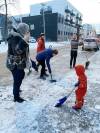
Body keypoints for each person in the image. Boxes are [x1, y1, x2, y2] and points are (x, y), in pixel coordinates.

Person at [6, 23, 31, 103]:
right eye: (27, 30)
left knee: (21, 75)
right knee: (17, 79)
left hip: (18, 63)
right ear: (23, 30)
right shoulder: (15, 37)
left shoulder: (18, 36)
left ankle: (17, 89)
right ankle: (16, 97)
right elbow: (17, 51)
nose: (27, 32)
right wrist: (24, 40)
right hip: (14, 64)